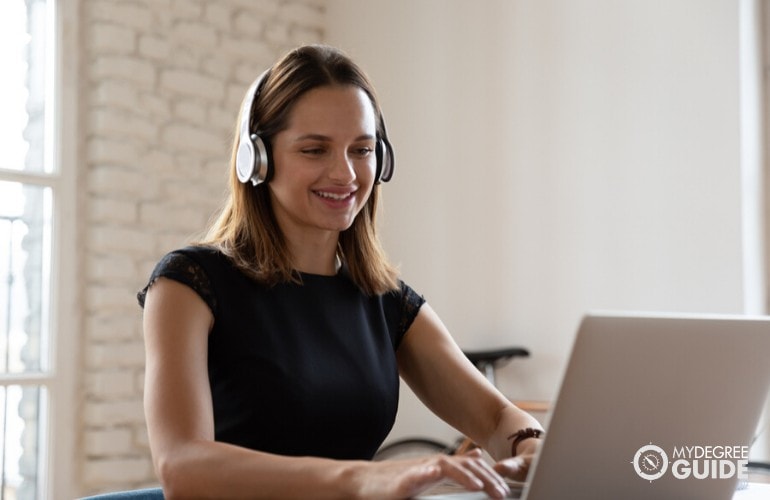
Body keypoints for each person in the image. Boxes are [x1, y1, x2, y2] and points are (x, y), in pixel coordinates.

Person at [138, 44, 543, 499]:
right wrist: (365, 477)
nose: (345, 173)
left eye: (362, 149)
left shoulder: (386, 301)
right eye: (315, 150)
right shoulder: (188, 284)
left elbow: (494, 419)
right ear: (257, 159)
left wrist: (530, 448)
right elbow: (182, 465)